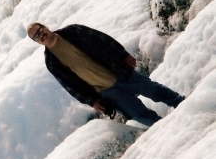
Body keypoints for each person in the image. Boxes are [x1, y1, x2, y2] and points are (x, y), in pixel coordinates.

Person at [27, 23, 185, 127]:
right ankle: (166, 129)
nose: (41, 35)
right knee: (138, 113)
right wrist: (92, 101)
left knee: (154, 90)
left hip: (118, 71)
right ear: (37, 42)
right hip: (105, 90)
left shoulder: (73, 31)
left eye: (41, 31)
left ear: (45, 27)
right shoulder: (51, 62)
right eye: (36, 36)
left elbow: (102, 39)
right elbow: (70, 86)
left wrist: (123, 55)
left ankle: (183, 104)